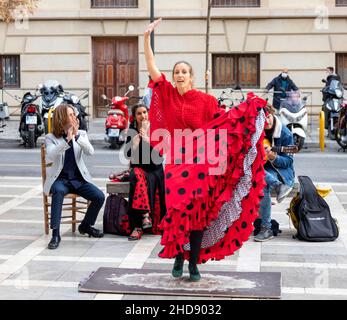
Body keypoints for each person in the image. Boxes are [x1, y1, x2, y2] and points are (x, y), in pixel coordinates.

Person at [144, 18, 268, 281]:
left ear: (191, 77)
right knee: (177, 211)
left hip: (201, 164)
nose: (179, 75)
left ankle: (193, 264)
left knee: (198, 215)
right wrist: (146, 38)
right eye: (176, 71)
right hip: (176, 162)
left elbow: (223, 124)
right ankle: (178, 258)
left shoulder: (206, 100)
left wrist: (251, 112)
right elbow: (152, 67)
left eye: (184, 72)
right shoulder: (166, 93)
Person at [43, 104, 105, 249]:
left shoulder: (81, 134)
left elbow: (91, 152)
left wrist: (76, 137)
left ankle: (85, 226)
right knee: (57, 192)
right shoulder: (51, 137)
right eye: (70, 115)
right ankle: (55, 234)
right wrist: (67, 140)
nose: (74, 117)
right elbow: (51, 156)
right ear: (61, 118)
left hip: (78, 179)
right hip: (60, 180)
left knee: (99, 196)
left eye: (74, 114)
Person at [125, 103, 166, 241]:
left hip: (155, 169)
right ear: (134, 117)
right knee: (137, 177)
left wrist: (148, 139)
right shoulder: (132, 130)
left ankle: (145, 219)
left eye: (145, 112)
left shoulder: (155, 129)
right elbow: (129, 154)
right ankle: (141, 220)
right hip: (139, 168)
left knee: (144, 179)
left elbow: (159, 155)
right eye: (139, 113)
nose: (143, 116)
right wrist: (137, 140)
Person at [254, 105, 295, 242]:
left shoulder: (285, 133)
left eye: (269, 117)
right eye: (263, 119)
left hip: (281, 171)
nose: (267, 121)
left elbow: (288, 161)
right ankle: (278, 186)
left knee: (262, 182)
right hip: (260, 170)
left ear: (273, 115)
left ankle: (266, 228)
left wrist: (273, 157)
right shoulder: (256, 131)